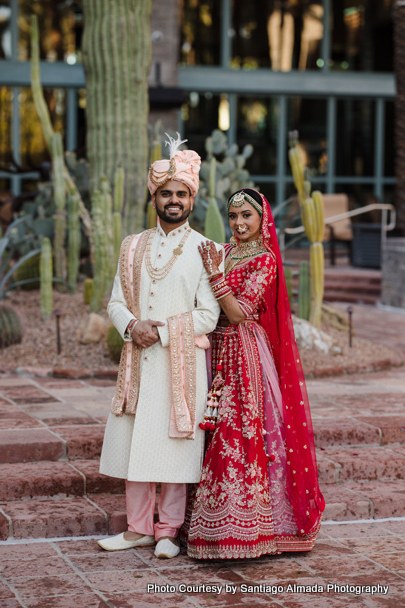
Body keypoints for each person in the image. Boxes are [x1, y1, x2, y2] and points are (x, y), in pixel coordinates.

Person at [98, 134, 222, 559]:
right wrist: (133, 326)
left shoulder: (208, 249)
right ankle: (137, 529)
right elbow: (115, 301)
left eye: (181, 193)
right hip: (138, 359)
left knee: (174, 444)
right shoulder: (132, 245)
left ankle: (167, 531)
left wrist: (163, 331)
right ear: (155, 197)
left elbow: (209, 315)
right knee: (137, 442)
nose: (173, 199)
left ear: (192, 198)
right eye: (166, 193)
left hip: (182, 362)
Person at [185, 188, 325, 560]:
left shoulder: (265, 259)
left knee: (239, 431)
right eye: (233, 217)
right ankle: (209, 523)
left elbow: (238, 313)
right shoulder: (227, 251)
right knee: (210, 424)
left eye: (246, 215)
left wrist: (215, 276)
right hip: (213, 346)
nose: (239, 223)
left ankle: (246, 529)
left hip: (243, 352)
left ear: (262, 219)